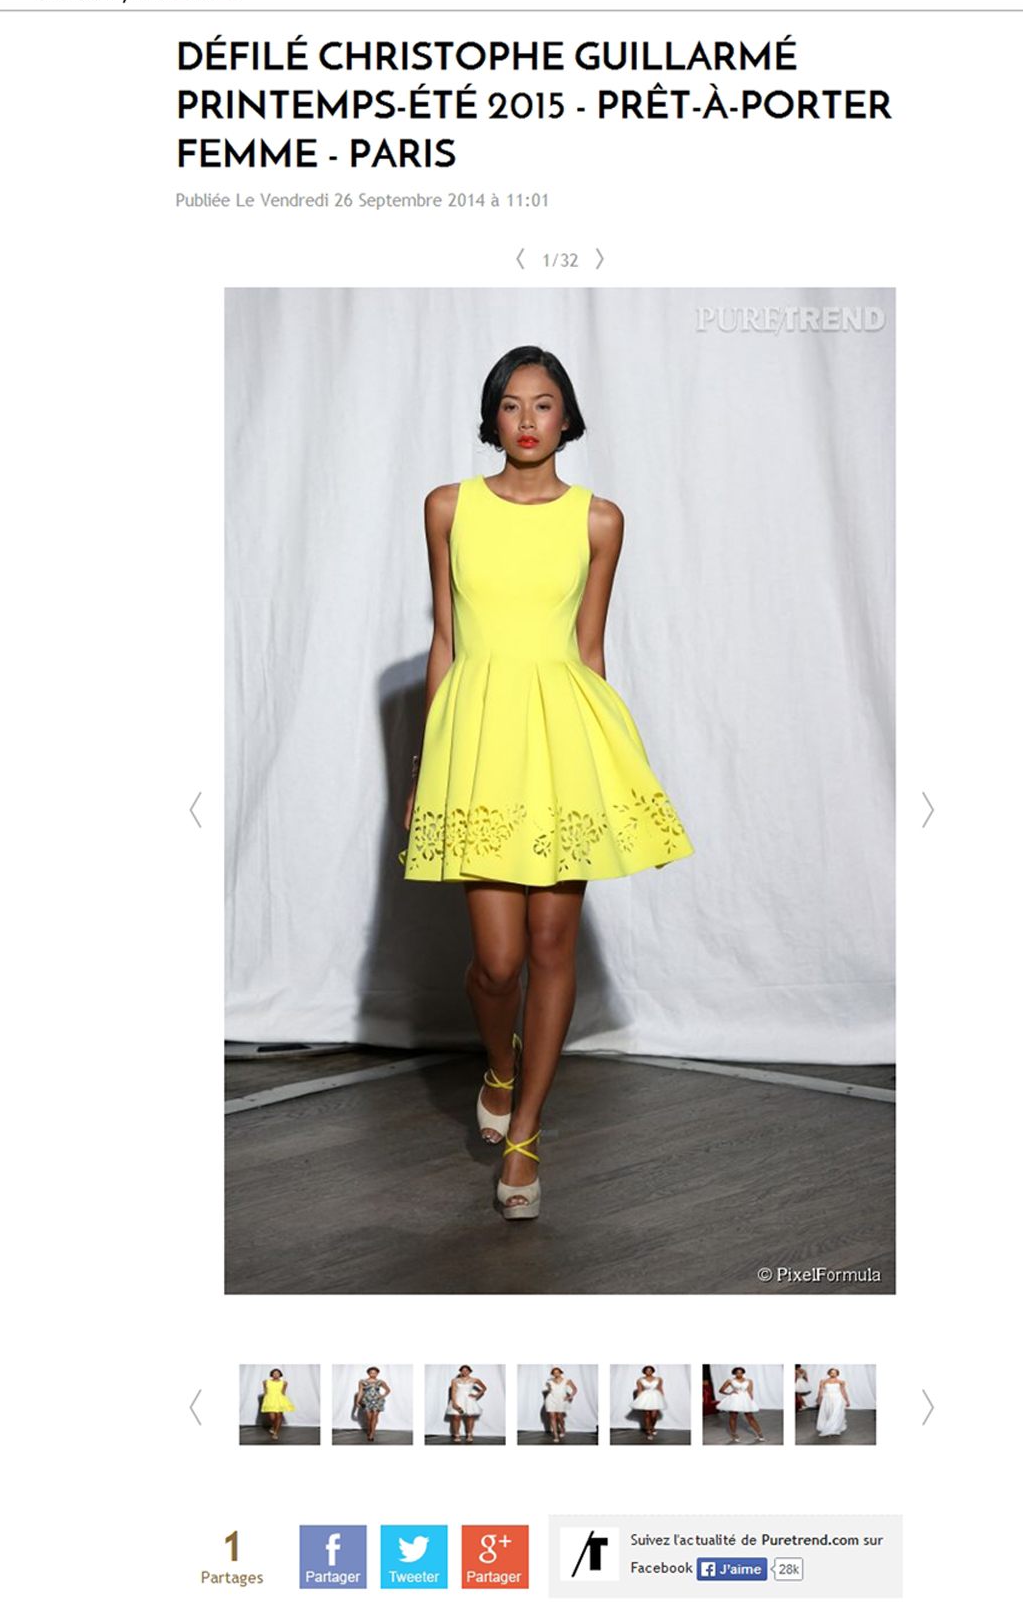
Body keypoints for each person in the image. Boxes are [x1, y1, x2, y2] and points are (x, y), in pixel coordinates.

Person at [401, 348, 694, 1222]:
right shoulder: (447, 507)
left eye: (543, 404)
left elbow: (589, 651)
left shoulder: (598, 520)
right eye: (510, 404)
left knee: (550, 945)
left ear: (567, 417)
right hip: (480, 744)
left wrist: (605, 767)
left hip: (562, 740)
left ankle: (524, 1135)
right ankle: (499, 1067)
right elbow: (446, 641)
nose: (526, 420)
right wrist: (423, 767)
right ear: (491, 417)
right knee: (496, 964)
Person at [718, 1367, 765, 1443]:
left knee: (750, 1416)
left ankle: (759, 1433)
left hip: (745, 1399)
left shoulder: (749, 1381)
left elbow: (750, 1391)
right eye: (737, 1373)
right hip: (735, 1399)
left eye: (741, 1372)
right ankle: (734, 1434)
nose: (739, 1374)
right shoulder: (730, 1381)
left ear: (743, 1373)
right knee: (733, 1416)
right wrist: (729, 1393)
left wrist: (751, 1401)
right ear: (734, 1373)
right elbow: (721, 1390)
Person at [447, 1364, 487, 1443]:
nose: (465, 1372)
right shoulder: (455, 1380)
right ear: (460, 1371)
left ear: (470, 1371)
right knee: (456, 1417)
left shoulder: (475, 1380)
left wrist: (477, 1395)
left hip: (469, 1400)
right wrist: (454, 1403)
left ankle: (469, 1435)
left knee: (470, 1416)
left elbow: (484, 1388)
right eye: (463, 1370)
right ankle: (457, 1435)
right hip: (458, 1399)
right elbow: (453, 1391)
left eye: (466, 1370)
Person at [355, 1366, 391, 1443]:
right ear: (368, 1373)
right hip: (367, 1401)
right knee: (369, 1418)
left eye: (375, 1373)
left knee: (374, 1416)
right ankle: (369, 1429)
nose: (373, 1374)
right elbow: (360, 1391)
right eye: (371, 1372)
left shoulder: (380, 1382)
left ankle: (372, 1433)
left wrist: (382, 1396)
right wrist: (357, 1401)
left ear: (377, 1373)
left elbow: (388, 1390)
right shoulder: (362, 1381)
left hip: (377, 1401)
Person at [543, 1367, 577, 1442]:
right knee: (552, 1417)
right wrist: (549, 1387)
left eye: (557, 1372)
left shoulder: (567, 1381)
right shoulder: (549, 1382)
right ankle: (555, 1435)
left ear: (560, 1372)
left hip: (561, 1400)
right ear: (552, 1374)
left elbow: (575, 1389)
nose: (556, 1374)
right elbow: (550, 1390)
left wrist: (570, 1396)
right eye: (554, 1373)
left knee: (560, 1417)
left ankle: (562, 1428)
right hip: (551, 1400)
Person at [260, 1368, 295, 1441]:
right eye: (274, 1373)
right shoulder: (266, 1382)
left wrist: (283, 1401)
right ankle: (273, 1426)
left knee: (279, 1416)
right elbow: (265, 1392)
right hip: (270, 1400)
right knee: (272, 1417)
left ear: (280, 1374)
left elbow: (283, 1392)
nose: (276, 1374)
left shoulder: (284, 1383)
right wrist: (266, 1399)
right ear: (271, 1374)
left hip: (279, 1400)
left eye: (277, 1373)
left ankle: (276, 1432)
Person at [816, 1368, 851, 1437]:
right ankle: (828, 1426)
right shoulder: (823, 1381)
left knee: (836, 1414)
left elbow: (843, 1391)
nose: (833, 1374)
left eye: (835, 1373)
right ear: (829, 1373)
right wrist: (819, 1400)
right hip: (827, 1399)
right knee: (829, 1413)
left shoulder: (841, 1382)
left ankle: (832, 1430)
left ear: (837, 1374)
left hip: (838, 1399)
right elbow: (820, 1391)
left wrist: (847, 1400)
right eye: (831, 1372)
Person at [634, 1366, 666, 1439]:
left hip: (655, 1397)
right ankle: (648, 1430)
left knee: (654, 1415)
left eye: (650, 1370)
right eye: (647, 1370)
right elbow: (639, 1390)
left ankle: (652, 1427)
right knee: (647, 1415)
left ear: (653, 1371)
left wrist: (662, 1398)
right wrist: (638, 1400)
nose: (649, 1372)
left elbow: (660, 1389)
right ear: (644, 1372)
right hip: (645, 1397)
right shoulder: (640, 1380)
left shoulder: (659, 1379)